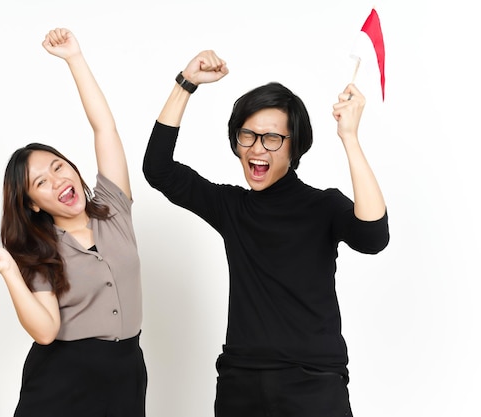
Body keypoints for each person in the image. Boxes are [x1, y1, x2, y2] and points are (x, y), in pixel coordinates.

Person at [143, 50, 389, 417]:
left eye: (272, 138)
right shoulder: (231, 206)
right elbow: (157, 169)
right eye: (248, 136)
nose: (257, 149)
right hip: (240, 384)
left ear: (295, 146)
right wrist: (186, 82)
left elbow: (373, 237)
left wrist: (350, 138)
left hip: (314, 383)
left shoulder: (323, 206)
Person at [0, 28, 146, 417]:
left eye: (58, 166)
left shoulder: (114, 208)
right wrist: (9, 271)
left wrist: (75, 59)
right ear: (32, 204)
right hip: (63, 381)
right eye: (41, 183)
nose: (58, 181)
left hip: (126, 373)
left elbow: (105, 129)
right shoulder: (38, 248)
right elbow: (46, 331)